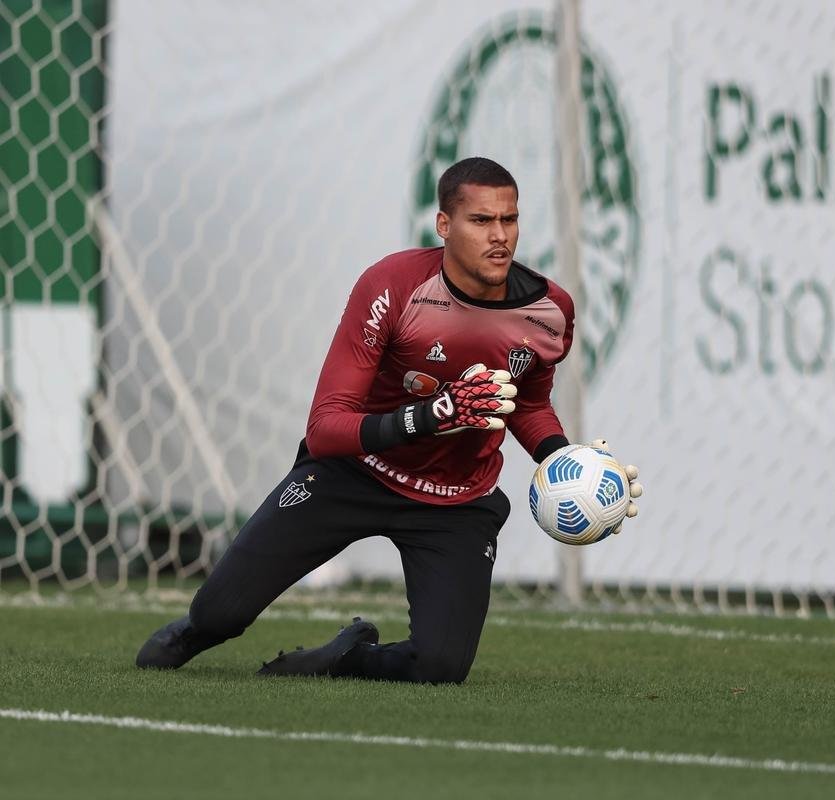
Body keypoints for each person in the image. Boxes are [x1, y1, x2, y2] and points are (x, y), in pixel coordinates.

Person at [135, 157, 642, 684]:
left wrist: (568, 464)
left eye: (509, 219)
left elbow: (528, 403)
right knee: (218, 616)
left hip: (455, 500)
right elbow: (325, 428)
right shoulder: (393, 286)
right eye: (481, 220)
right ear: (443, 225)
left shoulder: (550, 309)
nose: (499, 236)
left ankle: (344, 657)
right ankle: (196, 628)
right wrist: (433, 415)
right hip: (354, 472)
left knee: (440, 668)